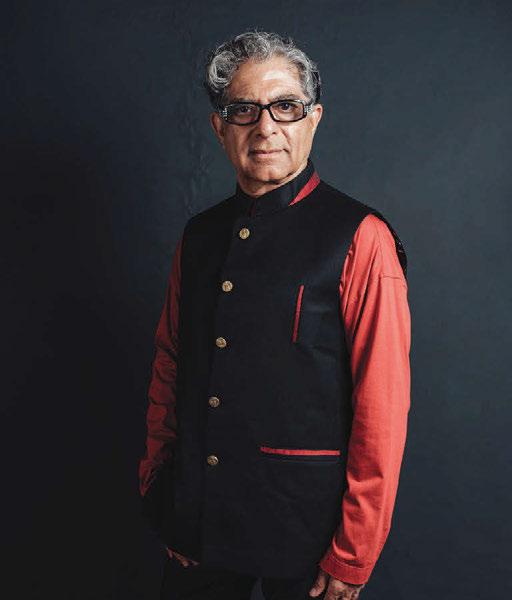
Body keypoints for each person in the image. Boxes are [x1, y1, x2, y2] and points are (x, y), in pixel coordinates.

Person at [138, 30, 411, 600]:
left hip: (310, 534)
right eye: (244, 110)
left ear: (314, 119)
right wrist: (161, 486)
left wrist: (355, 550)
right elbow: (171, 363)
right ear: (219, 128)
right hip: (198, 518)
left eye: (285, 106)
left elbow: (381, 405)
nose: (265, 128)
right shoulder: (199, 236)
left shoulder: (362, 237)